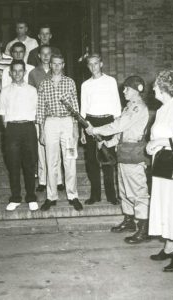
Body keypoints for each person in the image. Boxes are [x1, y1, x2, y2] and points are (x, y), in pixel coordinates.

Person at [85, 76, 150, 244]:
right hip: (124, 151)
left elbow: (119, 126)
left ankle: (143, 228)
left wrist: (95, 129)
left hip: (133, 152)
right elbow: (121, 133)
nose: (124, 91)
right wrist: (109, 142)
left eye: (127, 88)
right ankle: (129, 220)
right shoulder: (129, 107)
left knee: (138, 191)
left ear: (137, 90)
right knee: (124, 190)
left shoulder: (138, 108)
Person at [146, 70, 173, 272]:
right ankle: (170, 246)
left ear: (163, 88)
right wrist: (151, 145)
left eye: (155, 85)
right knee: (166, 206)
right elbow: (158, 135)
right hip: (164, 165)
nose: (152, 88)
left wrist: (159, 142)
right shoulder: (163, 109)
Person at [37, 54, 83, 211]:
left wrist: (76, 127)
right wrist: (42, 130)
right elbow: (41, 108)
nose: (56, 66)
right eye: (53, 64)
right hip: (50, 123)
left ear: (63, 65)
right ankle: (51, 196)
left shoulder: (70, 82)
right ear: (50, 65)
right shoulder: (44, 84)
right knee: (51, 160)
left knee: (70, 159)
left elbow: (75, 107)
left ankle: (73, 195)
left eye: (59, 64)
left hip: (68, 123)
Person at [80, 54, 121, 205]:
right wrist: (82, 130)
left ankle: (111, 196)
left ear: (101, 64)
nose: (93, 67)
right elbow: (83, 109)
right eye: (90, 64)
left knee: (108, 160)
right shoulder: (85, 85)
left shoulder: (111, 81)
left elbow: (116, 106)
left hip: (108, 121)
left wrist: (117, 130)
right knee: (92, 161)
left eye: (96, 63)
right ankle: (95, 195)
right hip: (90, 122)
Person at [0, 60, 38, 211]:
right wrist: (9, 130)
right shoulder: (5, 91)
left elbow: (36, 112)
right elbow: (2, 113)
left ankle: (31, 197)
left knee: (29, 164)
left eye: (20, 71)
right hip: (12, 129)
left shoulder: (32, 90)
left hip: (28, 127)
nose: (17, 74)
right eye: (14, 71)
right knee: (13, 164)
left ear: (24, 72)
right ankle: (15, 197)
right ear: (10, 73)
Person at [28, 45, 64, 192]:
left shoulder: (57, 70)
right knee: (41, 148)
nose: (46, 56)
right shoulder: (33, 73)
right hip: (41, 115)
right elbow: (30, 95)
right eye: (43, 54)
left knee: (56, 148)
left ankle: (58, 179)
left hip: (56, 116)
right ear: (38, 55)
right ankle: (42, 180)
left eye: (48, 53)